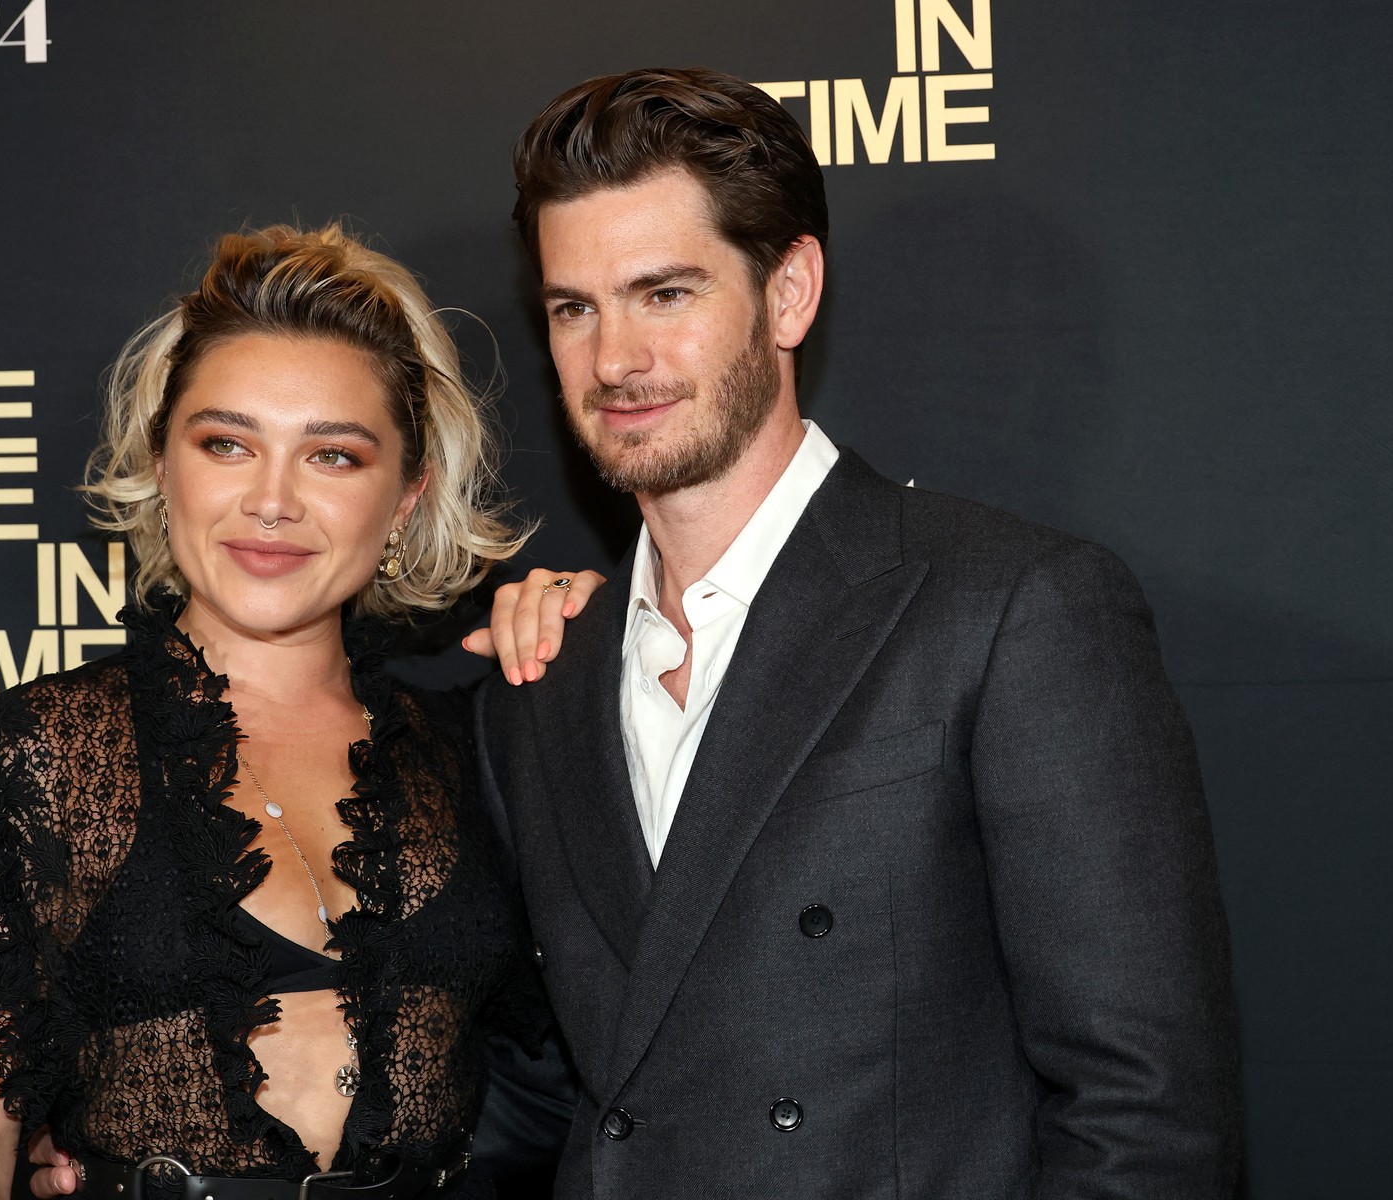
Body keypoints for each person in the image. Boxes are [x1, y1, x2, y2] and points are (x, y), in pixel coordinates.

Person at [469, 67, 1243, 1198]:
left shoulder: (1014, 607)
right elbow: (534, 1088)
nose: (615, 359)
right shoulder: (542, 673)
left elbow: (1145, 1113)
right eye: (574, 308)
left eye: (665, 294)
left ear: (789, 294)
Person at [0, 224, 586, 1200]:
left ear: (407, 498)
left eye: (333, 457)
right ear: (161, 462)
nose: (270, 501)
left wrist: (607, 640)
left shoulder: (484, 748)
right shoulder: (29, 765)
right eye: (227, 443)